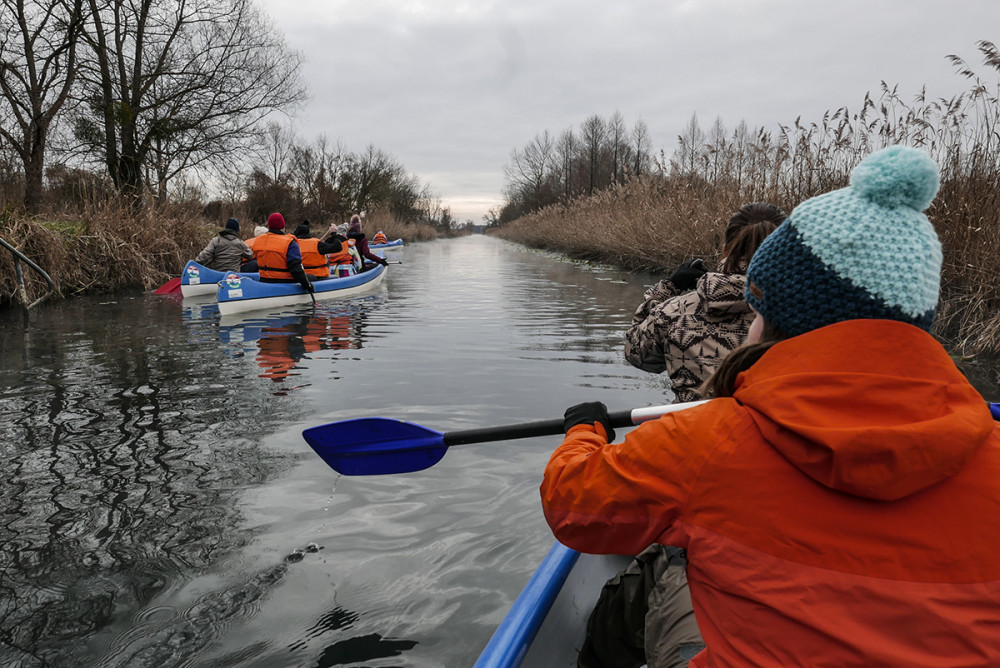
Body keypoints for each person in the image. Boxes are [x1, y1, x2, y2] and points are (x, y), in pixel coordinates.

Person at [540, 146, 1000, 667]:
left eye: (758, 311)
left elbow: (571, 505)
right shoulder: (990, 447)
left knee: (648, 579)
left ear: (774, 320)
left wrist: (584, 432)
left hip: (685, 462)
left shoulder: (708, 439)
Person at [625, 203, 787, 403]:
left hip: (693, 429)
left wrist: (667, 288)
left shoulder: (674, 311)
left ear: (725, 251)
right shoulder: (810, 312)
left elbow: (638, 355)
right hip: (779, 430)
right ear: (788, 251)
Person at [252, 213, 313, 293]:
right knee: (312, 277)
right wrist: (308, 285)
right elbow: (296, 269)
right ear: (283, 227)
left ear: (269, 226)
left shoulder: (258, 240)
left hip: (265, 281)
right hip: (285, 283)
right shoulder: (290, 242)